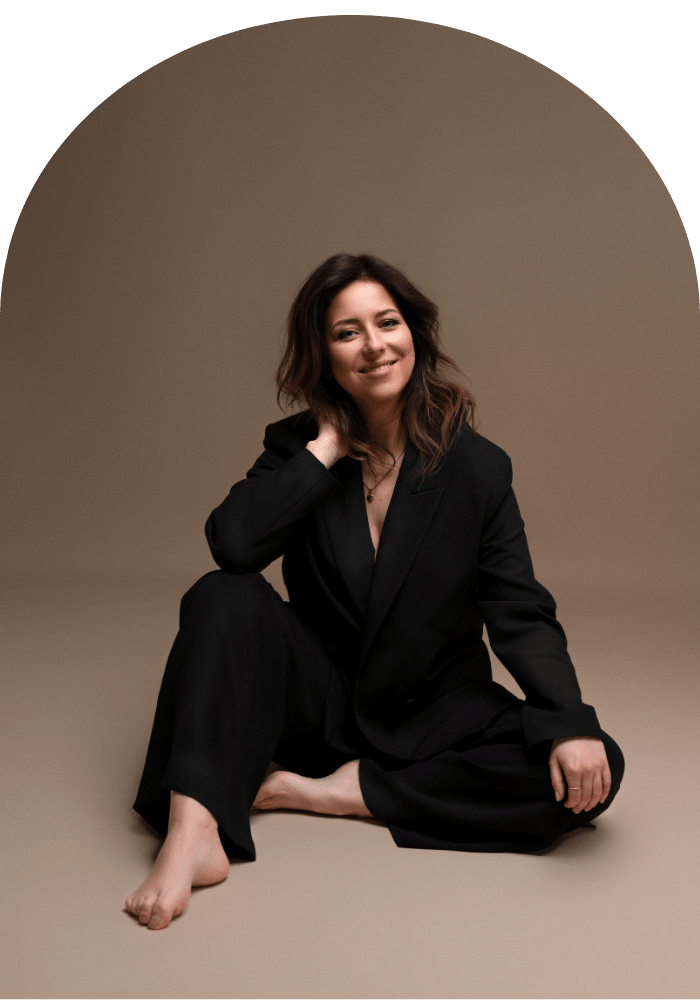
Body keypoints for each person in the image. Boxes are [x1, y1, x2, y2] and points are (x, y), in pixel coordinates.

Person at [125, 253, 624, 930]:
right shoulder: (298, 449)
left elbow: (519, 607)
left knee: (594, 768)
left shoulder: (477, 467)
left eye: (387, 323)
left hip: (438, 709)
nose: (374, 345)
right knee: (221, 594)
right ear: (323, 353)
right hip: (325, 704)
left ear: (413, 333)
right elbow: (234, 546)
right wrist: (328, 446)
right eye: (347, 332)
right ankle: (193, 831)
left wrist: (568, 720)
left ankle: (347, 793)